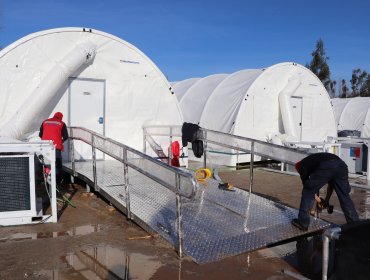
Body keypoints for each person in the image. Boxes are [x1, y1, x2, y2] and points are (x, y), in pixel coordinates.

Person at [292, 152, 359, 231]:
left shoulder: (301, 167)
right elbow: (331, 185)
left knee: (307, 192)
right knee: (344, 196)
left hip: (327, 165)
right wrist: (326, 200)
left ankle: (303, 223)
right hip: (341, 165)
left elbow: (309, 188)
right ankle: (354, 224)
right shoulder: (313, 161)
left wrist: (318, 200)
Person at [39, 112, 69, 185]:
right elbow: (66, 137)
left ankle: (45, 180)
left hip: (45, 146)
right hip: (56, 146)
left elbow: (40, 135)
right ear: (61, 117)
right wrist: (60, 141)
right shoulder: (61, 123)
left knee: (45, 163)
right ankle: (57, 183)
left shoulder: (45, 122)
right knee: (57, 164)